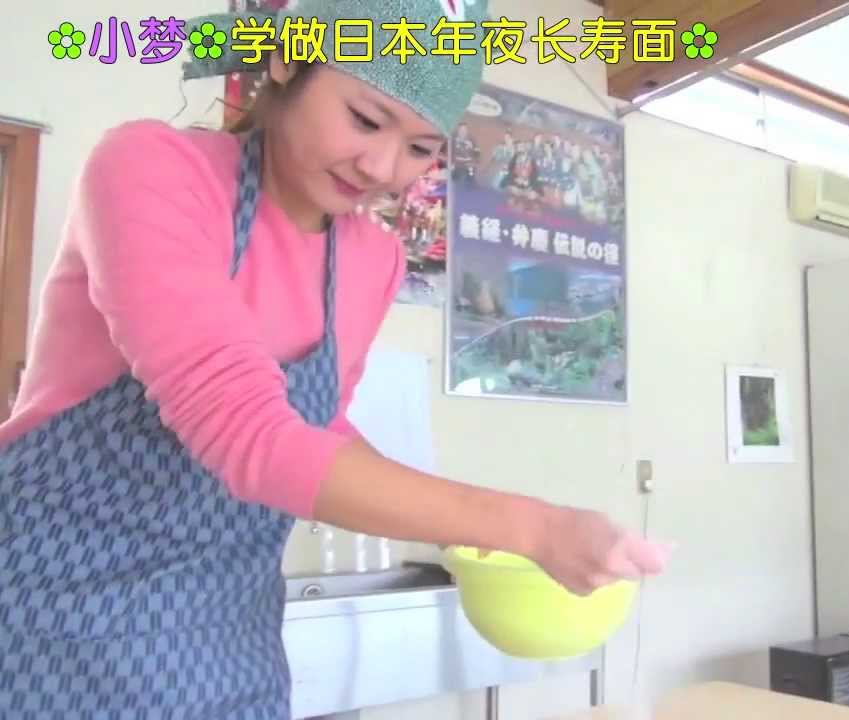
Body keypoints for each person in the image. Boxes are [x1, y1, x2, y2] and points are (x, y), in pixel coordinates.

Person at [0, 0, 668, 717]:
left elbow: (318, 432)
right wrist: (532, 527)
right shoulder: (152, 169)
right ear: (287, 62)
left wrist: (472, 533)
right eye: (366, 119)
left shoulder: (372, 258)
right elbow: (246, 432)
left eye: (420, 148)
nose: (381, 167)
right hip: (49, 622)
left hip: (229, 637)